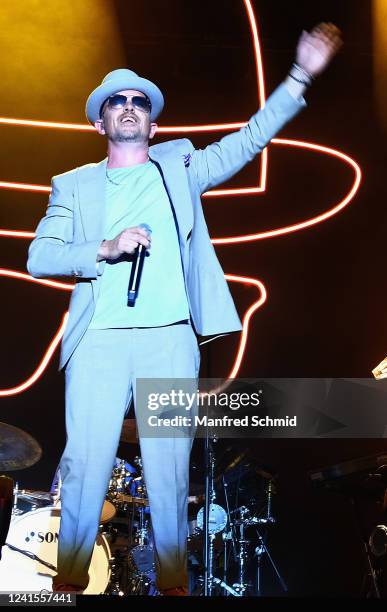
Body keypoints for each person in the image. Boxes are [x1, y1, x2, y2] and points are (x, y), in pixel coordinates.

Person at [27, 23, 342, 595]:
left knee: (170, 473)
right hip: (98, 337)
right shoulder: (71, 185)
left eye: (138, 100)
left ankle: (174, 586)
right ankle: (70, 583)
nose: (128, 105)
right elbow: (40, 256)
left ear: (153, 121)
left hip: (169, 338)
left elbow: (248, 141)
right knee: (84, 469)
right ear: (99, 122)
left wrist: (298, 77)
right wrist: (105, 247)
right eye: (115, 101)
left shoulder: (181, 169)